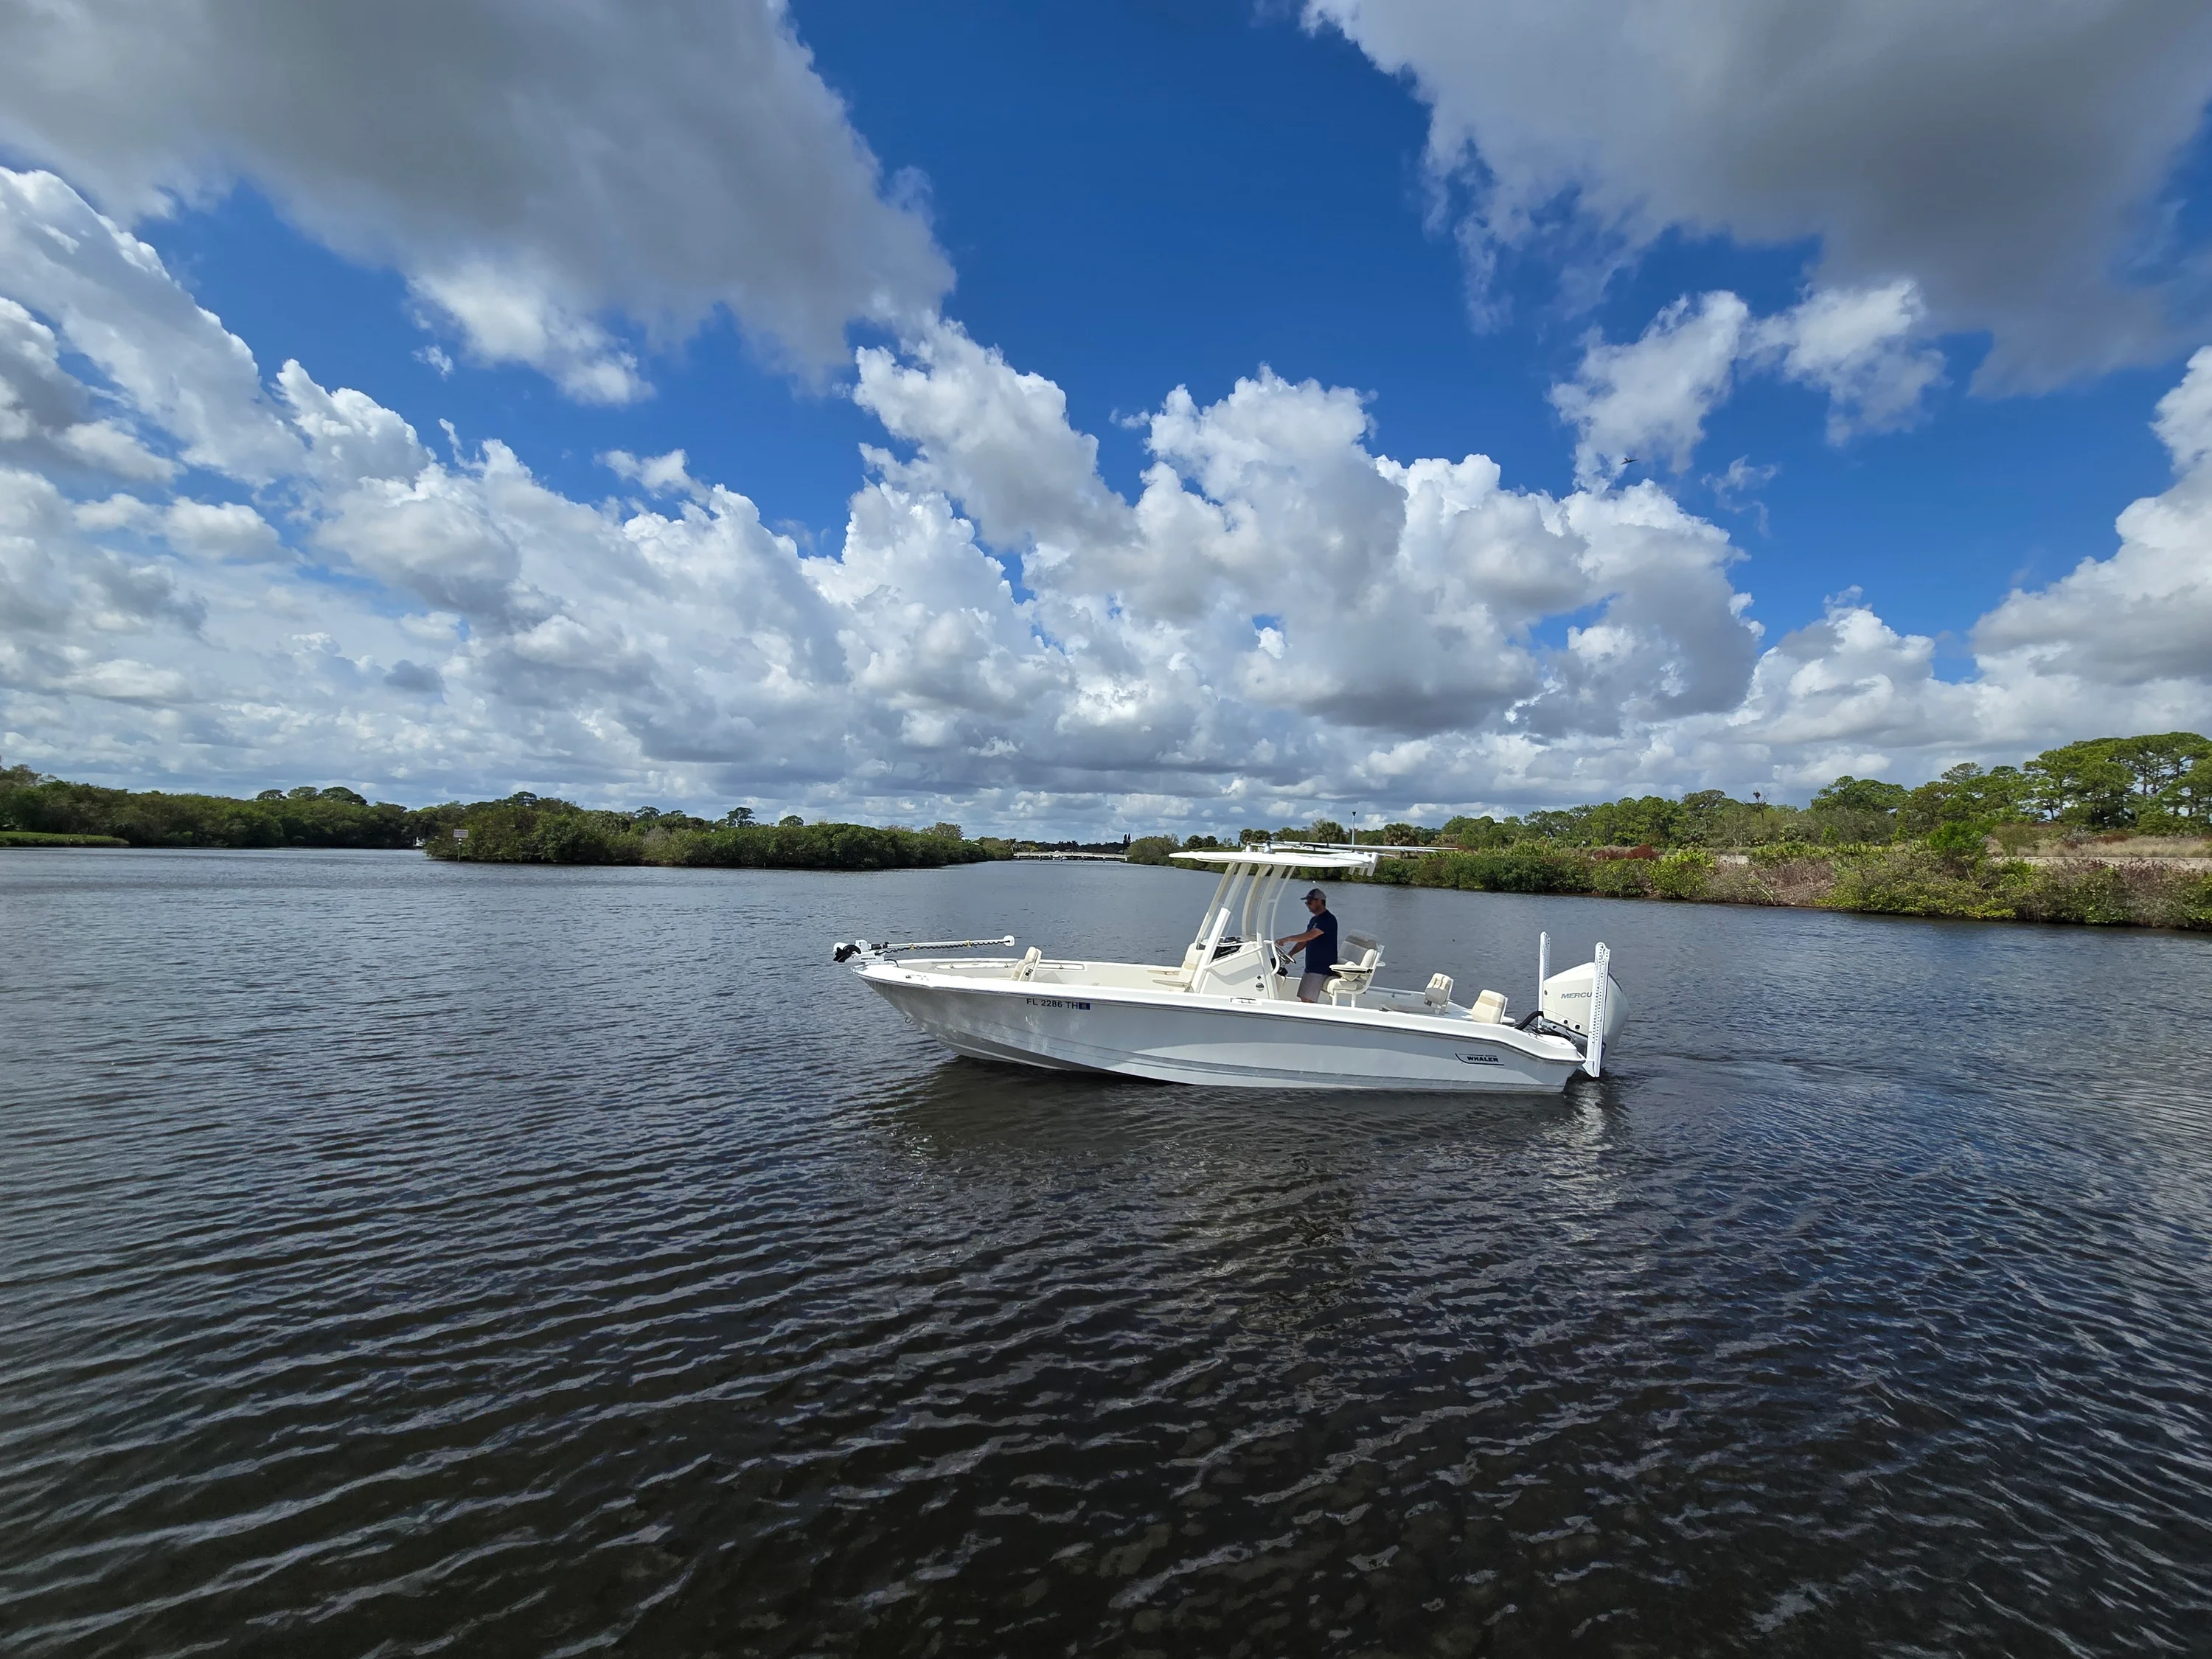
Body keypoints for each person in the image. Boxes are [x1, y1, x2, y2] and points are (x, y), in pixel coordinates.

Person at [1275, 887, 1341, 1003]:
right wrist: (1291, 954)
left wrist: (1288, 939)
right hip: (1312, 967)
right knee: (1304, 997)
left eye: (1310, 902)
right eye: (1306, 903)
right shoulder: (1315, 920)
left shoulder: (1327, 920)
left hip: (1320, 967)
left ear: (1319, 901)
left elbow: (1311, 935)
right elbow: (1305, 941)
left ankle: (1317, 1019)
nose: (1307, 905)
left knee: (1307, 999)